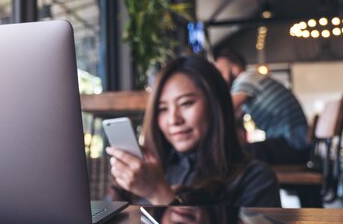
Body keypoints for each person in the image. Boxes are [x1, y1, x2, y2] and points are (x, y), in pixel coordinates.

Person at [106, 56, 280, 207]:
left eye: (186, 104)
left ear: (215, 105)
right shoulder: (148, 171)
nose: (174, 119)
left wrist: (158, 193)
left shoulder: (255, 180)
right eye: (163, 109)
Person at [214, 49, 310, 165]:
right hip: (296, 145)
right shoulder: (251, 84)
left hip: (292, 146)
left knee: (236, 155)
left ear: (234, 68)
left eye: (220, 72)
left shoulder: (245, 79)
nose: (218, 78)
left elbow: (225, 109)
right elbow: (235, 116)